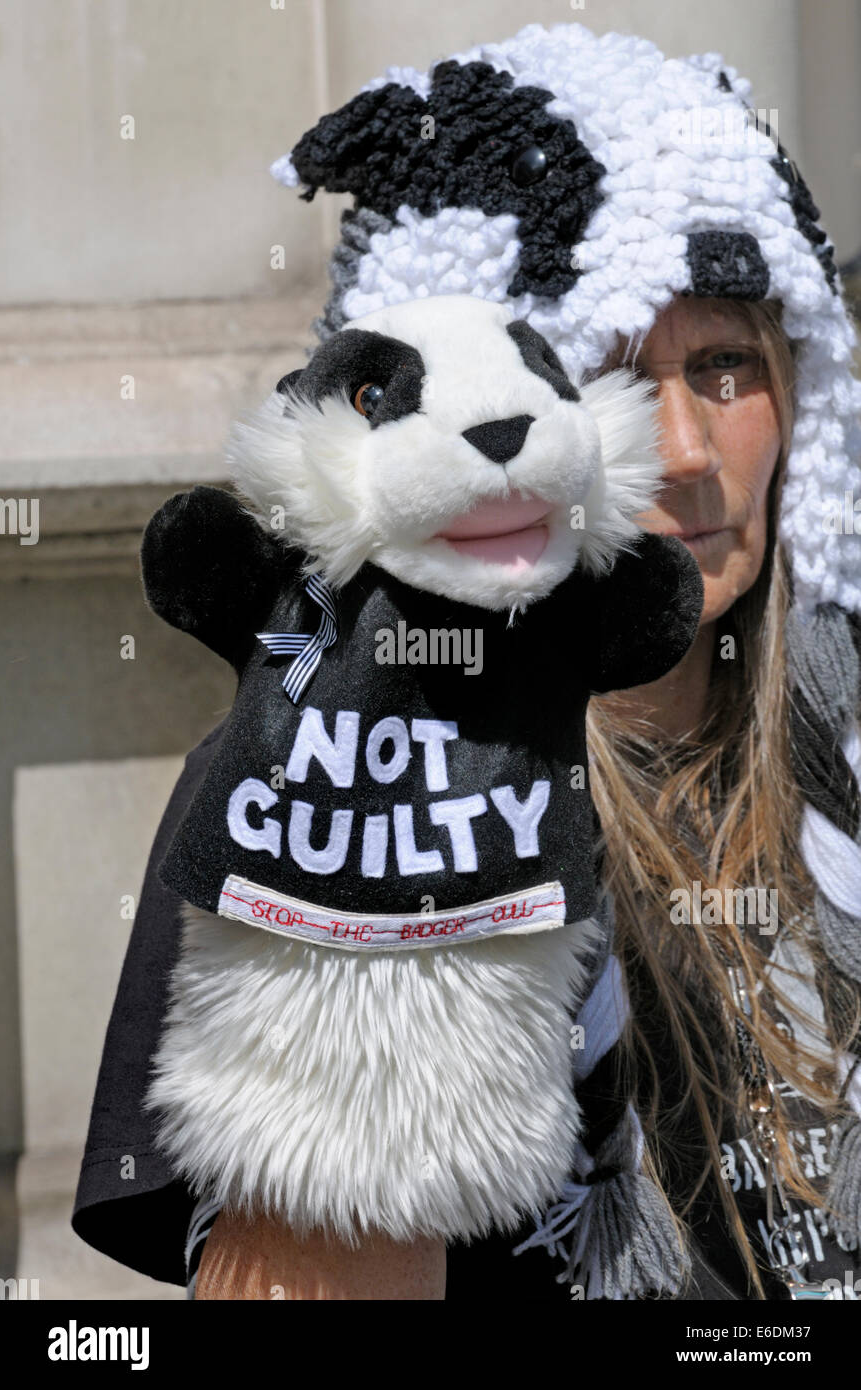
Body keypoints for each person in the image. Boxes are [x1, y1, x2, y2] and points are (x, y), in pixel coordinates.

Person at [72, 21, 861, 1300]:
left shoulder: (845, 719)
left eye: (723, 365)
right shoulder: (321, 781)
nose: (681, 450)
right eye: (604, 368)